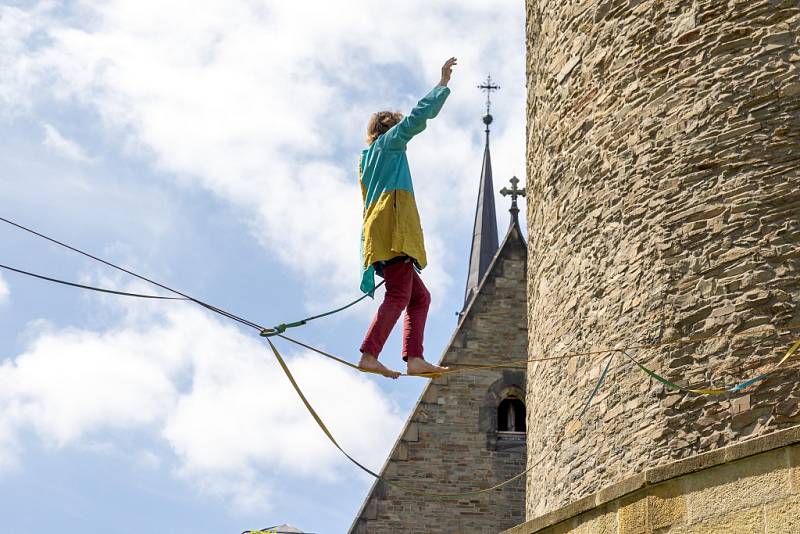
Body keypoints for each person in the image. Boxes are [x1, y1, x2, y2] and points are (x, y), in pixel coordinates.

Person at [356, 57, 457, 379]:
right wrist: (441, 85)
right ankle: (370, 353)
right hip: (392, 227)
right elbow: (416, 119)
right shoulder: (390, 145)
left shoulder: (367, 159)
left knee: (419, 296)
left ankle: (414, 358)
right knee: (399, 294)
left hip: (379, 228)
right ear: (389, 131)